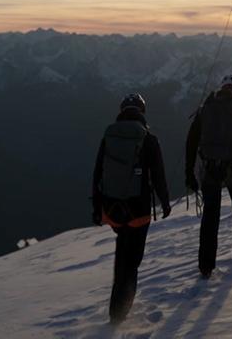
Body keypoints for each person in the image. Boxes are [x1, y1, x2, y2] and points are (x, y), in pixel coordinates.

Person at [92, 93, 171, 325]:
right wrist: (164, 202)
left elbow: (98, 173)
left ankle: (116, 308)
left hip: (113, 208)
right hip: (139, 209)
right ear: (141, 111)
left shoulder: (109, 137)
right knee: (133, 261)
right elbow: (158, 175)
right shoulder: (148, 138)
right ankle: (120, 312)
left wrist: (98, 207)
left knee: (122, 253)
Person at [185, 73, 232, 278]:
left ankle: (206, 266)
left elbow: (191, 143)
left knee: (210, 215)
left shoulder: (204, 111)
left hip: (209, 169)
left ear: (221, 88)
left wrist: (189, 172)